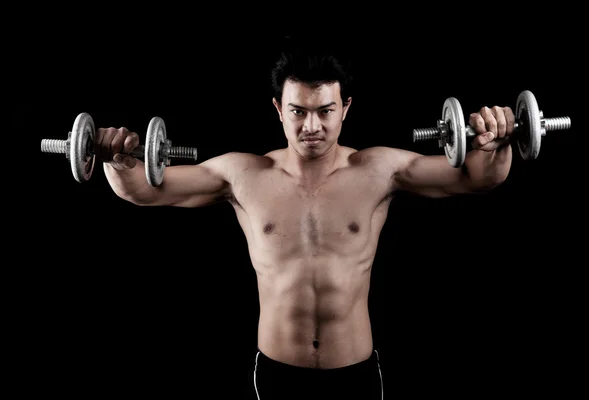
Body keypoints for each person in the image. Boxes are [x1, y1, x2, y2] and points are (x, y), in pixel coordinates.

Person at [93, 38, 514, 399]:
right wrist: (117, 160)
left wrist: (496, 141)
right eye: (297, 112)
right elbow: (145, 190)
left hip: (355, 375)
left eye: (325, 111)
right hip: (278, 375)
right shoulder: (243, 175)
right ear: (278, 108)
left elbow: (477, 178)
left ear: (345, 108)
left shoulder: (380, 169)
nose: (312, 126)